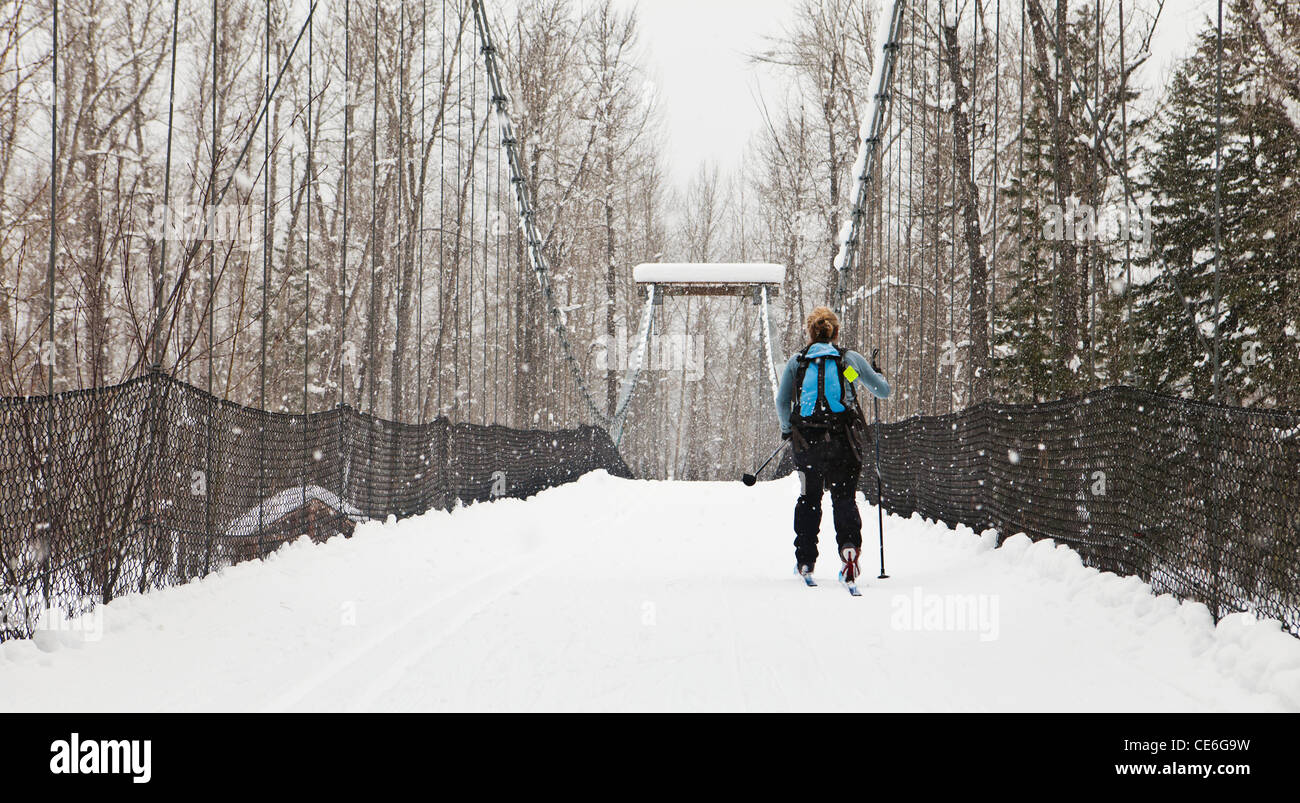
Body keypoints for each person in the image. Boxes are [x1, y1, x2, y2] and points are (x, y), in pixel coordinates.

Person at [775, 306, 890, 587]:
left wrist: (788, 430)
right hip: (843, 442)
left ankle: (805, 560)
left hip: (808, 444)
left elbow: (781, 401)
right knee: (844, 498)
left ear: (810, 333)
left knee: (809, 499)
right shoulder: (846, 361)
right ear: (835, 332)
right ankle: (849, 549)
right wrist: (873, 375)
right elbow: (882, 391)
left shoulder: (798, 361)